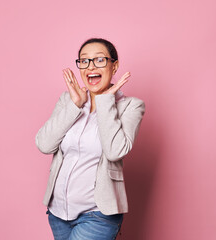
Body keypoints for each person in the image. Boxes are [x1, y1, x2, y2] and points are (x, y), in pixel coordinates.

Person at [35, 38, 145, 240]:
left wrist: (105, 101)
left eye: (99, 60)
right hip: (58, 212)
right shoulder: (68, 99)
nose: (90, 67)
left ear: (115, 65)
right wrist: (75, 105)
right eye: (84, 61)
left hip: (98, 215)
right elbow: (44, 144)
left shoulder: (131, 106)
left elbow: (114, 151)